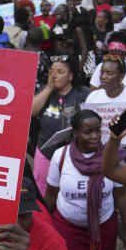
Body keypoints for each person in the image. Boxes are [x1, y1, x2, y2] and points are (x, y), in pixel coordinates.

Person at [45, 109, 126, 250]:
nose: (95, 136)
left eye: (98, 130)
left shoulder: (111, 156)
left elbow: (121, 195)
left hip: (104, 231)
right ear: (75, 133)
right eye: (88, 132)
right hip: (67, 231)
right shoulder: (60, 156)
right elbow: (51, 194)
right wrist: (44, 226)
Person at [30, 57, 90, 195]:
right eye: (52, 71)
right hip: (46, 153)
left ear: (70, 76)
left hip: (74, 153)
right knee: (43, 192)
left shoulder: (82, 94)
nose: (54, 75)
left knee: (68, 190)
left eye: (60, 72)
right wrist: (49, 88)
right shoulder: (46, 90)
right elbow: (32, 111)